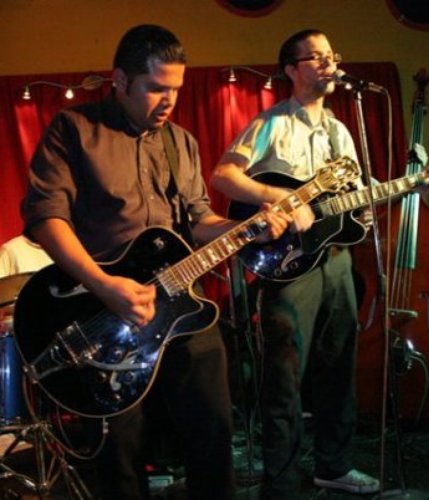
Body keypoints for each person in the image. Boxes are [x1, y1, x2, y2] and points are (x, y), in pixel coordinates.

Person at [21, 24, 288, 500]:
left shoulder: (180, 141)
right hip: (100, 309)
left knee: (213, 429)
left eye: (177, 89)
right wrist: (104, 285)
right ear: (121, 80)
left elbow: (199, 220)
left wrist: (247, 228)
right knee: (119, 453)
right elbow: (46, 217)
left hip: (180, 302)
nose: (169, 101)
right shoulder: (75, 129)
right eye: (156, 88)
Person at [210, 29, 429, 498]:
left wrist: (410, 186)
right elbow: (224, 175)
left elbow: (354, 201)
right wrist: (280, 198)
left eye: (330, 55)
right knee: (285, 375)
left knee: (339, 365)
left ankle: (334, 466)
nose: (328, 63)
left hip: (335, 260)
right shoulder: (271, 124)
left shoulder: (340, 130)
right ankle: (282, 482)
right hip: (289, 262)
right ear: (292, 70)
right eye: (315, 57)